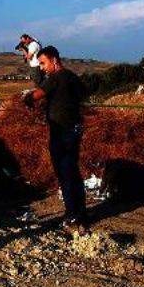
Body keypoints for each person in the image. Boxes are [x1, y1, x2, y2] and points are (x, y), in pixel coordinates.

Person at [24, 46, 88, 231]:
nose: (42, 67)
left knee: (65, 172)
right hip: (75, 129)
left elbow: (36, 95)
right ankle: (80, 213)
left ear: (54, 61)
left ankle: (72, 217)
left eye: (43, 63)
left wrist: (27, 99)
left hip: (62, 133)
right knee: (73, 173)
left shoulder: (56, 78)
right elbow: (83, 94)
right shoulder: (71, 77)